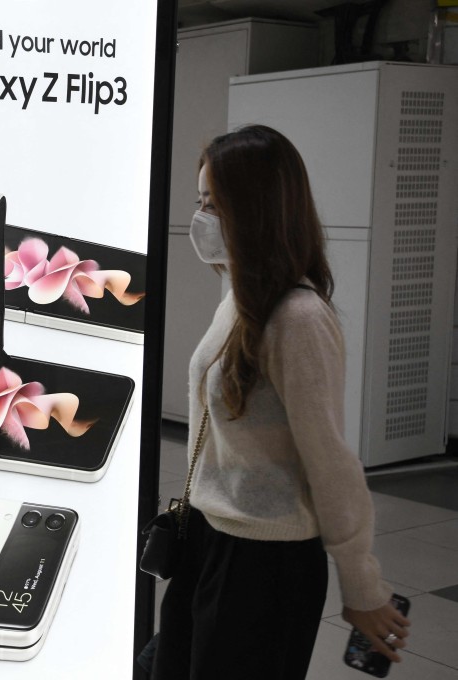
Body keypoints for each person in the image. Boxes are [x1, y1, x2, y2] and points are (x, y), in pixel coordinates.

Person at [151, 125, 410, 679]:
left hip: (263, 562)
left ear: (257, 211)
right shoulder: (240, 299)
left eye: (215, 206)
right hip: (209, 537)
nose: (202, 220)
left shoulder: (299, 318)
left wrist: (361, 583)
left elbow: (330, 462)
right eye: (200, 203)